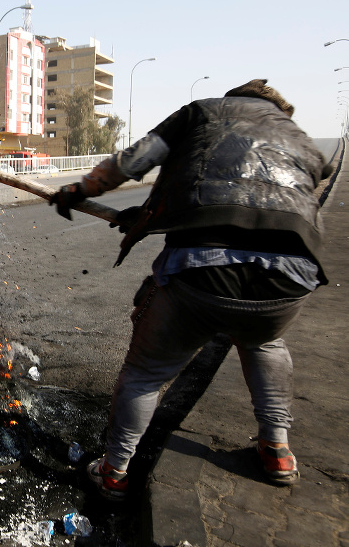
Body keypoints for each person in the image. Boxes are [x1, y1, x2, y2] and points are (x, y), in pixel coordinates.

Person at [49, 79, 332, 500]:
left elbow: (135, 161)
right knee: (264, 342)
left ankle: (113, 471)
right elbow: (253, 198)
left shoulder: (203, 112)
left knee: (145, 373)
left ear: (233, 98)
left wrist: (80, 190)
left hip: (205, 271)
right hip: (289, 279)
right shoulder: (304, 143)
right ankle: (276, 449)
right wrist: (149, 214)